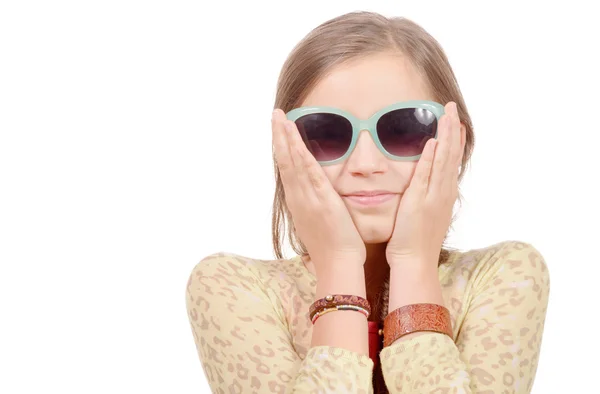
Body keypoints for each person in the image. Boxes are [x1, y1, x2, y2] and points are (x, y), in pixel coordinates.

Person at [185, 11, 550, 393]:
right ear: (284, 149)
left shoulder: (504, 274)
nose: (365, 164)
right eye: (325, 133)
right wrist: (339, 266)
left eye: (403, 129)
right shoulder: (231, 287)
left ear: (454, 143)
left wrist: (414, 263)